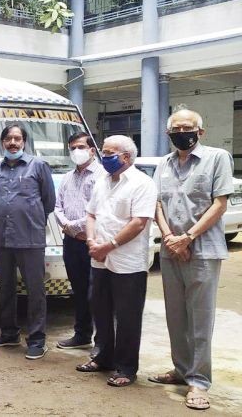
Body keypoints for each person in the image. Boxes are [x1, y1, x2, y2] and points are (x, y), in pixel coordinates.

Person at [149, 109, 234, 410]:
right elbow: (156, 203)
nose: (181, 131)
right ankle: (181, 369)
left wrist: (188, 237)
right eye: (175, 127)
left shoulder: (217, 158)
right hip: (171, 250)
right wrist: (170, 238)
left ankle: (199, 381)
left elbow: (219, 204)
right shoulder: (164, 163)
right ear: (168, 132)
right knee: (176, 316)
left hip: (203, 250)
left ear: (201, 131)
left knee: (200, 318)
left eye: (187, 127)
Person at [76, 135, 157, 387]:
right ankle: (103, 357)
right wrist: (91, 242)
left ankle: (125, 368)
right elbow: (90, 214)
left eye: (109, 152)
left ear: (125, 156)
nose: (104, 156)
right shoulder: (102, 181)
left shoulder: (142, 183)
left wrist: (108, 246)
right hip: (99, 259)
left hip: (127, 262)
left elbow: (138, 222)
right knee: (100, 310)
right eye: (103, 151)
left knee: (127, 317)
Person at [0, 124, 55, 360]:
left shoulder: (38, 166)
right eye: (8, 139)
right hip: (3, 238)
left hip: (30, 239)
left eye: (17, 138)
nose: (13, 143)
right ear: (2, 142)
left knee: (35, 291)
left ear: (24, 142)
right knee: (5, 287)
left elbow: (49, 202)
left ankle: (37, 340)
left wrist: (31, 219)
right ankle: (8, 333)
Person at [53, 132, 105, 350]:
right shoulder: (67, 177)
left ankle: (101, 341)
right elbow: (57, 207)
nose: (77, 151)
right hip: (72, 242)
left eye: (81, 147)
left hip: (93, 242)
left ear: (92, 150)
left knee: (98, 293)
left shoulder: (102, 176)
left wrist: (73, 227)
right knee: (79, 290)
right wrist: (68, 227)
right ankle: (81, 334)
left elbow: (99, 210)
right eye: (72, 148)